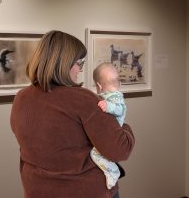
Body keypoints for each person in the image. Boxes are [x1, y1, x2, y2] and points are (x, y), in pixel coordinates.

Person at [10, 30, 135, 198]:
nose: (80, 70)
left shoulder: (21, 98)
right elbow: (120, 149)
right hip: (85, 191)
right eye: (79, 63)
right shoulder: (83, 99)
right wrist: (123, 125)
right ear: (65, 63)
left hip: (36, 190)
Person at [91, 62, 127, 190]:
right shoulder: (111, 95)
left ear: (99, 86)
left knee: (95, 154)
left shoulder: (114, 97)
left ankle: (112, 171)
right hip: (111, 131)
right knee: (100, 153)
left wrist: (108, 107)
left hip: (112, 133)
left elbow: (120, 109)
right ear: (120, 84)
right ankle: (112, 169)